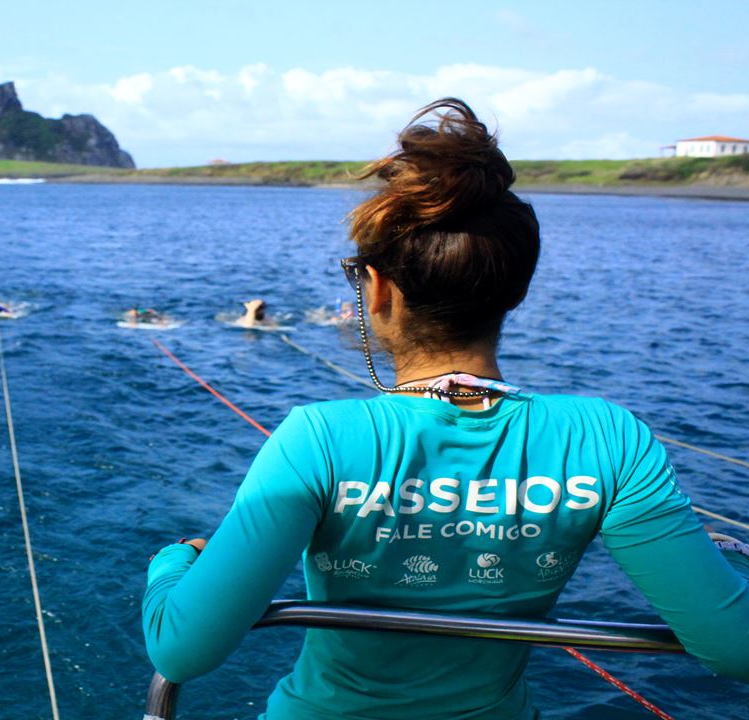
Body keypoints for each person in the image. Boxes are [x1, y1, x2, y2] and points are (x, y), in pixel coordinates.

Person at [142, 98, 749, 719]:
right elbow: (736, 647)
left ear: (377, 289)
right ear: (517, 287)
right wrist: (726, 554)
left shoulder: (316, 439)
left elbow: (181, 651)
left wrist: (176, 558)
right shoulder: (610, 439)